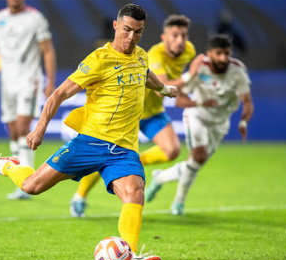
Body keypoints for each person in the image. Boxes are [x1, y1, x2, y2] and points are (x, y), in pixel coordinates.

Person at [0, 4, 178, 260]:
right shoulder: (98, 59)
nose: (131, 37)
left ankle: (127, 256)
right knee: (32, 186)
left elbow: (145, 75)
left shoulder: (141, 56)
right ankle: (7, 166)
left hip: (124, 149)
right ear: (116, 26)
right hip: (90, 143)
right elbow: (59, 93)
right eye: (127, 30)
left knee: (134, 193)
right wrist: (39, 128)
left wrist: (163, 88)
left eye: (138, 32)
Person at [69, 14, 197, 218]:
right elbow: (160, 87)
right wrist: (191, 76)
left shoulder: (189, 51)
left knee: (172, 150)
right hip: (126, 116)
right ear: (164, 37)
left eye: (183, 35)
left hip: (153, 112)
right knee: (103, 158)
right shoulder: (155, 56)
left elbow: (177, 84)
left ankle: (138, 164)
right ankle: (79, 197)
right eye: (175, 35)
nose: (180, 41)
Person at [145, 34, 254, 215]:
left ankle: (161, 178)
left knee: (195, 164)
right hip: (197, 116)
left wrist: (243, 122)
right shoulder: (200, 68)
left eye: (227, 53)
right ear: (209, 53)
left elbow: (247, 100)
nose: (223, 58)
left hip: (220, 123)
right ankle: (178, 204)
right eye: (218, 53)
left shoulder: (237, 70)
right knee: (199, 155)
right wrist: (199, 104)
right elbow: (179, 99)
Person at [0, 0, 56, 201]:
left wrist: (50, 81)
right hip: (6, 82)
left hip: (29, 79)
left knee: (22, 128)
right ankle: (19, 177)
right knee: (12, 131)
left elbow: (47, 51)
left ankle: (26, 183)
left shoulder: (35, 19)